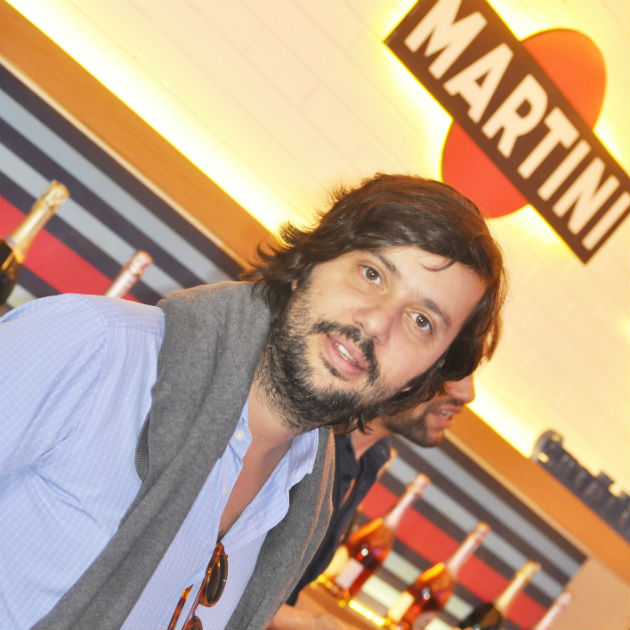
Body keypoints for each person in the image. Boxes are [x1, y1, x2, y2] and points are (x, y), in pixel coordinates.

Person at [0, 174, 505, 630]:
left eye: (422, 321)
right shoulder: (95, 349)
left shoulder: (305, 498)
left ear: (425, 377)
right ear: (313, 261)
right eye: (372, 273)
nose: (377, 322)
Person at [268, 375, 476, 630]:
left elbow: (280, 593)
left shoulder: (373, 459)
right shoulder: (308, 433)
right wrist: (312, 623)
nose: (468, 394)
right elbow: (231, 575)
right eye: (455, 369)